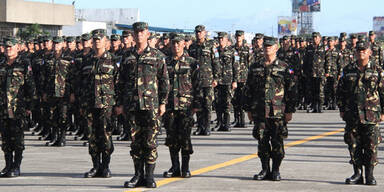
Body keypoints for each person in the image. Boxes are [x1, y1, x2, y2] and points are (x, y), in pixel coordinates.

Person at [117, 22, 169, 188]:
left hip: (151, 105)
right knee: (135, 142)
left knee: (150, 141)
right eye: (136, 32)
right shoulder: (127, 56)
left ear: (147, 34)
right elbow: (121, 81)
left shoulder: (157, 55)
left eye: (142, 32)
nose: (139, 35)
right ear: (133, 35)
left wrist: (163, 103)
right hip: (132, 105)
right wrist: (119, 103)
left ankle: (149, 176)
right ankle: (137, 175)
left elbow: (164, 81)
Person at [244, 36, 296, 181]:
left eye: (270, 46)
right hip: (260, 111)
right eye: (265, 46)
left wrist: (290, 110)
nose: (267, 48)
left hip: (278, 112)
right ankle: (264, 169)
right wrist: (248, 109)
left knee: (277, 142)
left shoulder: (284, 67)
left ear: (276, 48)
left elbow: (291, 90)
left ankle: (276, 170)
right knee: (262, 142)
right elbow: (249, 89)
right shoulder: (255, 67)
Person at [337, 40, 383, 185]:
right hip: (353, 113)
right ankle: (357, 173)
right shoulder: (348, 70)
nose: (361, 52)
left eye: (364, 50)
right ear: (355, 52)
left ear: (370, 52)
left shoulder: (378, 70)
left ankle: (369, 174)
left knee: (371, 144)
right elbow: (340, 92)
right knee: (353, 144)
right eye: (358, 50)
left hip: (371, 114)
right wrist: (342, 109)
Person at [162, 34, 202, 179]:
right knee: (171, 138)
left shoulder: (192, 63)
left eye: (179, 43)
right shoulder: (165, 62)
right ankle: (175, 166)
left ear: (184, 44)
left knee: (185, 138)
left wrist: (197, 105)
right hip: (170, 106)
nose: (176, 46)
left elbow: (198, 85)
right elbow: (161, 84)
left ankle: (185, 168)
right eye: (173, 44)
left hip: (186, 107)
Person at [82, 29, 119, 178]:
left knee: (105, 136)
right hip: (90, 103)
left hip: (106, 105)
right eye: (95, 39)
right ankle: (95, 166)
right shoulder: (86, 60)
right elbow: (80, 83)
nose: (97, 41)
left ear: (106, 42)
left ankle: (105, 166)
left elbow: (119, 83)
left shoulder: (113, 60)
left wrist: (118, 104)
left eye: (100, 39)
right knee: (92, 136)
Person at [0, 37, 36, 177]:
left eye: (11, 46)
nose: (8, 49)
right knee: (5, 138)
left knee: (17, 138)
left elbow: (30, 87)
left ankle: (16, 166)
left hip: (18, 107)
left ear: (17, 47)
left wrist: (29, 107)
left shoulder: (24, 64)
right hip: (3, 107)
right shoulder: (1, 64)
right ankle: (7, 165)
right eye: (6, 46)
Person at [188, 25, 219, 135]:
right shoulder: (192, 47)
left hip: (208, 79)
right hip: (196, 80)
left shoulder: (211, 46)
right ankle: (200, 127)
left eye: (200, 32)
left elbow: (216, 62)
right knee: (198, 104)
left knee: (207, 104)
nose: (198, 34)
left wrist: (216, 78)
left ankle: (207, 127)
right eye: (197, 32)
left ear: (204, 33)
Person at [215, 32, 239, 132]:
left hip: (228, 80)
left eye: (222, 39)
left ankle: (227, 123)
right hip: (217, 81)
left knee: (227, 103)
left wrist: (235, 80)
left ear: (226, 40)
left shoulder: (233, 51)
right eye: (219, 39)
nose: (220, 40)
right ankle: (219, 123)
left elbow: (236, 66)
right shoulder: (215, 51)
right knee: (217, 103)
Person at [231, 30, 250, 128]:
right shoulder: (232, 49)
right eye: (237, 36)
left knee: (242, 99)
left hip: (243, 77)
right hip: (234, 77)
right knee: (235, 100)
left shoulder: (247, 49)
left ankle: (242, 120)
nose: (238, 37)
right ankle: (236, 119)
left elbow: (249, 63)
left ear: (243, 37)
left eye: (240, 36)